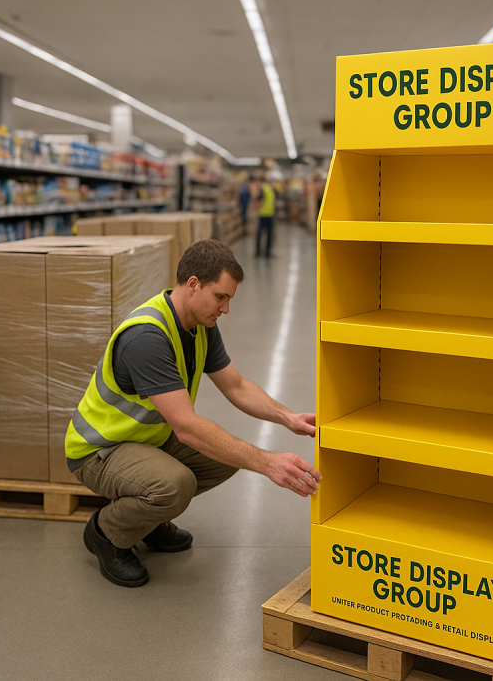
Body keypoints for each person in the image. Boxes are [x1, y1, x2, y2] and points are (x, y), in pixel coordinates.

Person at [65, 239, 319, 587]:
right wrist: (267, 462)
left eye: (229, 299)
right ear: (194, 284)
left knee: (228, 456)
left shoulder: (200, 325)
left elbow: (236, 386)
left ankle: (148, 519)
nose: (226, 308)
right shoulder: (147, 338)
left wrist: (288, 418)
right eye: (221, 297)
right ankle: (106, 533)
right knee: (176, 484)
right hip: (100, 449)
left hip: (145, 439)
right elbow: (186, 427)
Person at [256, 177, 276, 257]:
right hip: (269, 214)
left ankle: (258, 251)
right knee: (269, 234)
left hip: (263, 214)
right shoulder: (270, 189)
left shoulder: (262, 189)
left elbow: (258, 199)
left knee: (260, 233)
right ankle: (267, 252)